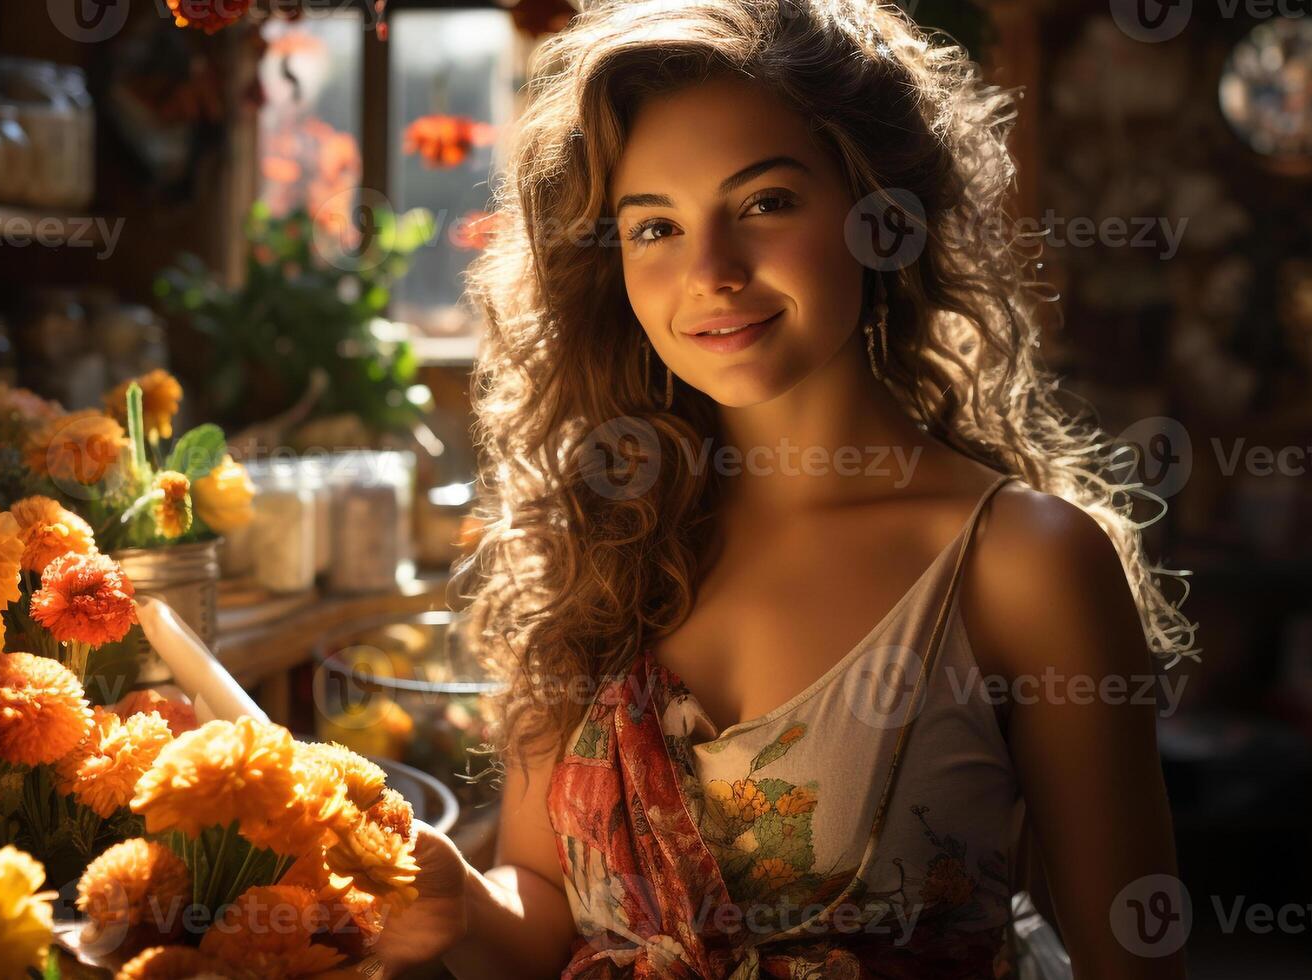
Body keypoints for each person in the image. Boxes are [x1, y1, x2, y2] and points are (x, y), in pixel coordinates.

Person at [373, 1, 1199, 977]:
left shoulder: (1018, 560)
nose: (710, 272)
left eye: (764, 203)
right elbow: (543, 908)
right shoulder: (591, 542)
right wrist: (452, 897)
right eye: (653, 227)